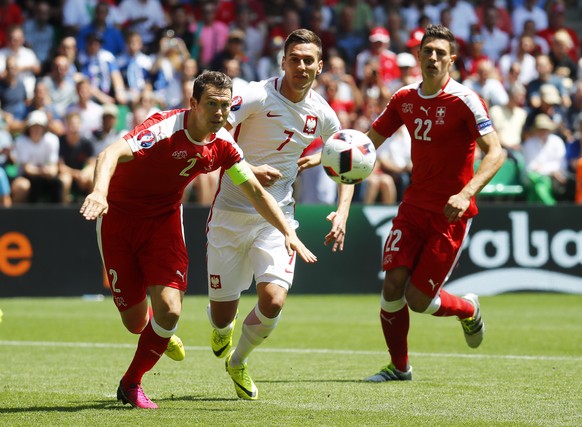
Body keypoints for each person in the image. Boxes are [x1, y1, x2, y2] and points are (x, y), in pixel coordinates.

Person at [79, 70, 316, 409]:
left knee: (171, 310)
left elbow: (254, 191)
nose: (220, 113)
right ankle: (157, 333)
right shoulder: (164, 128)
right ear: (193, 104)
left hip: (162, 223)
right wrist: (100, 192)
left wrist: (288, 232)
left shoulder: (223, 144)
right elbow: (110, 154)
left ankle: (131, 383)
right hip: (117, 219)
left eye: (224, 105)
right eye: (211, 105)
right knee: (135, 322)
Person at [206, 29, 354, 401]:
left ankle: (238, 361)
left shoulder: (322, 113)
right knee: (222, 316)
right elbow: (214, 125)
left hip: (277, 218)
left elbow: (349, 159)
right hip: (230, 212)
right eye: (295, 59)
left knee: (272, 299)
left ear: (320, 66)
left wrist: (342, 212)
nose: (301, 66)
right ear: (283, 62)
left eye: (308, 60)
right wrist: (250, 167)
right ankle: (224, 329)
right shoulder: (256, 93)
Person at [363, 24, 504, 382]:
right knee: (392, 285)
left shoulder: (465, 100)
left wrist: (466, 193)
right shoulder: (403, 98)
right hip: (412, 207)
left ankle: (467, 307)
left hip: (450, 214)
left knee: (419, 299)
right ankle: (399, 367)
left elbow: (496, 153)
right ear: (420, 56)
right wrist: (329, 158)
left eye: (441, 53)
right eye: (428, 51)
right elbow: (367, 144)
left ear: (451, 60)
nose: (434, 58)